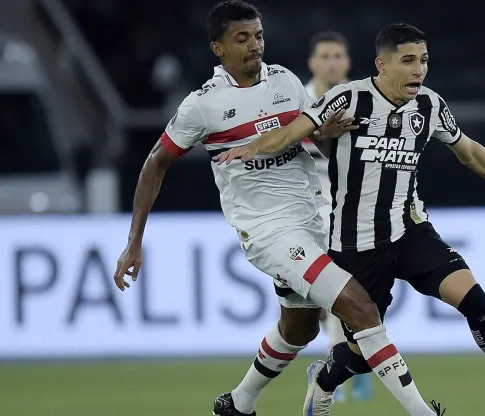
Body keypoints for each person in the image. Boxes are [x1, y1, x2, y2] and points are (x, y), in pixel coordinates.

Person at [112, 3, 445, 416]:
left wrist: (327, 133)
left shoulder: (286, 81)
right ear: (218, 48)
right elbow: (154, 164)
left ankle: (239, 402)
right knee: (360, 307)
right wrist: (134, 242)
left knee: (300, 327)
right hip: (269, 231)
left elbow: (309, 137)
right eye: (242, 38)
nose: (255, 45)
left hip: (315, 215)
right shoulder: (203, 105)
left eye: (258, 35)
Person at [212, 22, 485, 415]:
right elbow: (292, 132)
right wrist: (251, 147)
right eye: (408, 61)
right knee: (360, 355)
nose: (419, 70)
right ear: (381, 65)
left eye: (423, 60)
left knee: (478, 304)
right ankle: (324, 380)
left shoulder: (430, 106)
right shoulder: (347, 99)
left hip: (411, 232)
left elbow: (469, 151)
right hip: (357, 246)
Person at [302, 30, 373, 403]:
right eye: (324, 56)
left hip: (355, 210)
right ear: (313, 63)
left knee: (359, 290)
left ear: (347, 62)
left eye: (338, 56)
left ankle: (348, 367)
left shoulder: (363, 101)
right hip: (306, 210)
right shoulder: (297, 101)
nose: (332, 62)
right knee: (325, 298)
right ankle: (344, 368)